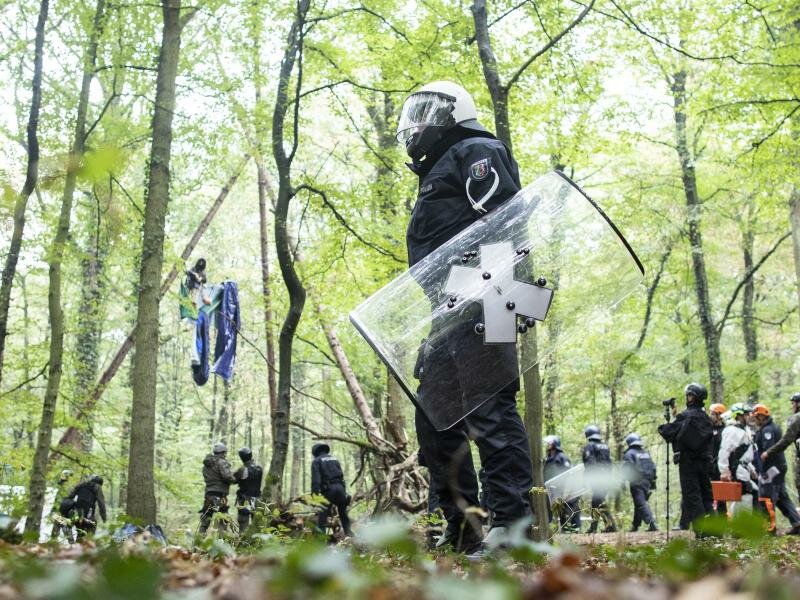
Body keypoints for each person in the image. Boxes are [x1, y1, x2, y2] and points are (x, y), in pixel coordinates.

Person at [397, 80, 533, 554]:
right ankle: (461, 527)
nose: (418, 122)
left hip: (489, 294)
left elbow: (507, 221)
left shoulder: (477, 149)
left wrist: (515, 293)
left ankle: (512, 527)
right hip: (448, 307)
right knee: (435, 414)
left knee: (490, 410)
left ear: (455, 112)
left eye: (428, 111)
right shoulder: (438, 170)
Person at [658, 383, 714, 530]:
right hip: (705, 463)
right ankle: (715, 532)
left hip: (688, 464)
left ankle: (702, 533)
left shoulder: (685, 416)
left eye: (688, 395)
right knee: (707, 496)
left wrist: (664, 426)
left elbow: (668, 432)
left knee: (693, 496)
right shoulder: (706, 418)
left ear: (692, 397)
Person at [753, 403, 800, 534]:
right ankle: (797, 522)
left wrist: (763, 469)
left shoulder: (767, 430)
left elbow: (768, 451)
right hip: (778, 467)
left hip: (772, 468)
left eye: (756, 417)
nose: (754, 420)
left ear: (761, 417)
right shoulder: (768, 428)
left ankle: (770, 528)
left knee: (766, 495)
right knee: (782, 497)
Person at [718, 403, 759, 513]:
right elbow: (724, 452)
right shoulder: (732, 431)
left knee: (750, 492)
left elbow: (744, 456)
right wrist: (724, 471)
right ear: (738, 416)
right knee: (745, 494)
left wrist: (751, 469)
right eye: (746, 414)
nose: (749, 416)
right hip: (737, 469)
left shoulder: (744, 430)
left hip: (743, 468)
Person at [311, 443, 352, 537]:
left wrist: (315, 496)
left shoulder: (316, 461)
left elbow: (316, 480)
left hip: (329, 490)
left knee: (322, 517)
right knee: (343, 515)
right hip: (340, 489)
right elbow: (342, 477)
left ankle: (321, 541)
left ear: (315, 453)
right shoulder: (335, 459)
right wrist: (344, 493)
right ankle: (349, 537)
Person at [581, 425, 617, 533]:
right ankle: (605, 527)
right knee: (598, 502)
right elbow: (609, 463)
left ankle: (608, 527)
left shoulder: (590, 446)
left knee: (598, 502)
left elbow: (590, 464)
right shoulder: (605, 446)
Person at [543, 435, 580, 532]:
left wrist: (567, 490)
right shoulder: (548, 458)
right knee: (560, 513)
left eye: (549, 443)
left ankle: (574, 534)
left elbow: (569, 474)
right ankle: (565, 533)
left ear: (554, 444)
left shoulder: (562, 457)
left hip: (566, 490)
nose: (548, 445)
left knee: (568, 512)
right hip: (554, 491)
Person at [623, 433, 657, 532]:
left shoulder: (629, 454)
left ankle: (652, 523)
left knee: (640, 502)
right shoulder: (646, 453)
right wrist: (653, 481)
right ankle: (635, 525)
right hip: (647, 481)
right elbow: (653, 467)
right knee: (639, 503)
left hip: (636, 482)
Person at [199, 442, 236, 536]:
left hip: (209, 495)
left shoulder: (206, 465)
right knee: (223, 519)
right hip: (220, 496)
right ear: (223, 452)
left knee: (205, 520)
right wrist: (234, 479)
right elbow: (227, 476)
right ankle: (221, 544)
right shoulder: (222, 462)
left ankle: (198, 544)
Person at [233, 447, 263, 534]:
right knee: (257, 525)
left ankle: (243, 544)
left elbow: (233, 480)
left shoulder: (242, 469)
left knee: (243, 526)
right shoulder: (259, 468)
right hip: (257, 499)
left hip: (244, 500)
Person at [708, 403, 727, 516]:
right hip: (709, 465)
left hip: (719, 467)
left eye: (713, 414)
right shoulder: (708, 429)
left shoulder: (725, 431)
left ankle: (722, 517)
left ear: (720, 416)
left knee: (721, 496)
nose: (710, 416)